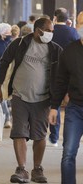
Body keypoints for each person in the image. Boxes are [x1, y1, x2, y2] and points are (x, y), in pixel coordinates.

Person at [0, 18, 62, 183]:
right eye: (48, 31)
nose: (51, 34)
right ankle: (21, 169)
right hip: (20, 96)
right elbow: (4, 63)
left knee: (39, 135)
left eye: (52, 31)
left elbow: (61, 75)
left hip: (43, 99)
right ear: (38, 30)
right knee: (19, 132)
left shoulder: (55, 49)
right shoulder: (19, 44)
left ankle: (37, 168)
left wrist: (59, 99)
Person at [48, 11, 83, 184]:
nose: (82, 27)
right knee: (68, 152)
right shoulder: (69, 51)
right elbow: (61, 81)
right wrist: (54, 106)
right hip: (75, 108)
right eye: (80, 23)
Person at [47, 7, 80, 147]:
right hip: (72, 73)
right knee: (73, 105)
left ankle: (54, 137)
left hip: (52, 72)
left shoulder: (51, 32)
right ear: (68, 19)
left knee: (54, 103)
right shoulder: (73, 32)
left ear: (54, 18)